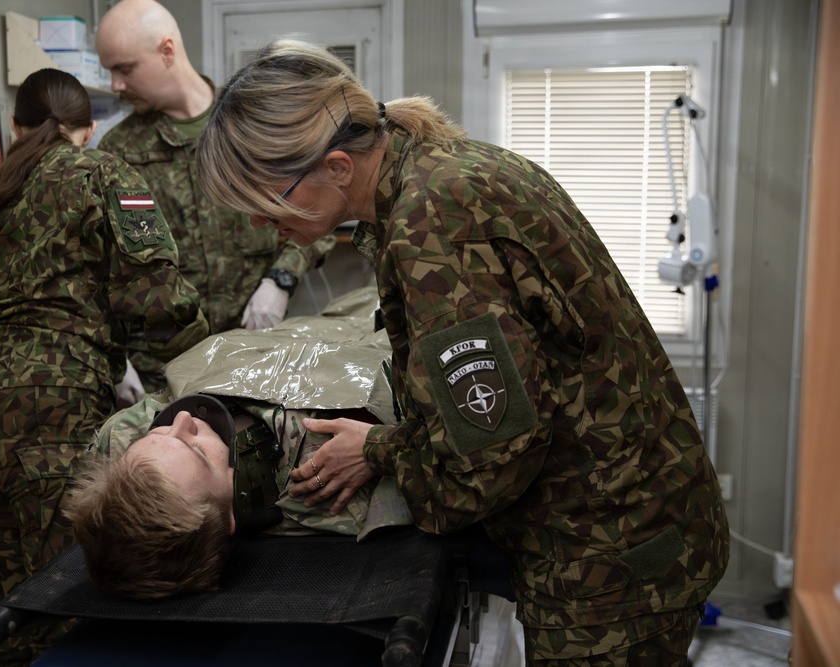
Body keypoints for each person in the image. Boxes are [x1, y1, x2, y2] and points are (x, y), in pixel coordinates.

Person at [194, 39, 730, 666]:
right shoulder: (440, 166)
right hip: (635, 524)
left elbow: (494, 455)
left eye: (267, 199)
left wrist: (403, 483)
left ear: (337, 167)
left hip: (612, 557)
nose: (262, 224)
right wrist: (380, 447)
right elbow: (498, 403)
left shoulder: (432, 221)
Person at [0, 68, 207, 665]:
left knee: (8, 614)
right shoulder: (104, 173)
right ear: (89, 130)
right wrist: (207, 373)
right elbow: (159, 298)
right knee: (72, 604)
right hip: (50, 416)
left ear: (15, 127)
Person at [66, 287, 413, 598]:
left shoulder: (122, 446)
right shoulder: (332, 480)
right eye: (197, 450)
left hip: (307, 328)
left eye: (159, 431)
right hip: (384, 322)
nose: (184, 419)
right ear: (231, 515)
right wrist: (378, 448)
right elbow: (451, 456)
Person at [94, 0, 337, 396]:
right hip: (164, 369)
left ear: (167, 51)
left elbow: (318, 208)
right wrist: (115, 360)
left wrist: (281, 279)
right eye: (110, 72)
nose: (116, 86)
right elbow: (100, 266)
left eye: (124, 68)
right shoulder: (119, 151)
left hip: (255, 350)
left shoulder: (252, 123)